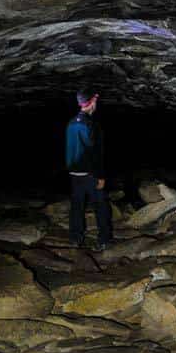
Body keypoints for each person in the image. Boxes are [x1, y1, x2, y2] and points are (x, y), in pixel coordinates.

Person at [65, 89, 113, 250]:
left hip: (74, 174)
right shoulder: (91, 125)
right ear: (92, 102)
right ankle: (104, 240)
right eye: (95, 101)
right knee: (101, 206)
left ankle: (75, 239)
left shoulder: (71, 122)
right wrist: (100, 176)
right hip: (90, 174)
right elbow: (95, 153)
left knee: (77, 206)